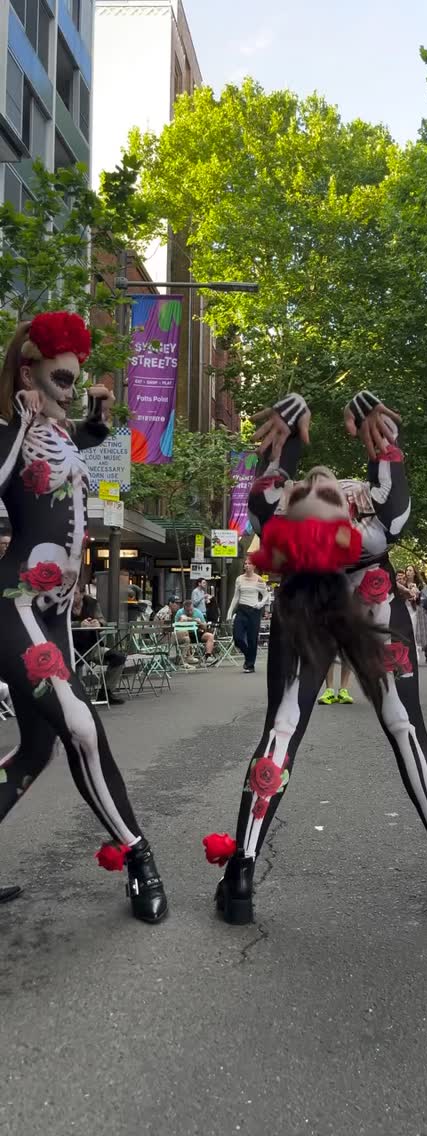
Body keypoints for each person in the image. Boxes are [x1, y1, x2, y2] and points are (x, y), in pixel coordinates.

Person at [206, 390, 427, 926]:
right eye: (316, 484)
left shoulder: (283, 513)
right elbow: (395, 496)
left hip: (314, 603)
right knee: (403, 727)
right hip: (365, 599)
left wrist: (289, 428)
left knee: (283, 730)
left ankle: (239, 875)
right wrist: (369, 423)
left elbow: (264, 495)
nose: (320, 479)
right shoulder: (371, 516)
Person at [0, 312, 167, 921]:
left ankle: (135, 851)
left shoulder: (63, 433)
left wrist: (95, 416)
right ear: (27, 373)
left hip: (57, 616)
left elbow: (91, 444)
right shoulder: (10, 431)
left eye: (75, 380)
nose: (69, 390)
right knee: (82, 728)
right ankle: (138, 854)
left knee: (39, 749)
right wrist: (20, 421)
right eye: (61, 380)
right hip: (15, 604)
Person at [71, 590, 128, 705]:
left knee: (118, 657)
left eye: (75, 593)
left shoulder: (92, 603)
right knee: (75, 664)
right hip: (71, 649)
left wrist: (98, 623)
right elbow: (58, 624)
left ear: (82, 594)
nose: (71, 596)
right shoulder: (62, 604)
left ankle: (106, 692)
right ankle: (75, 697)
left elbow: (102, 620)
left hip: (92, 647)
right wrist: (78, 624)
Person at [226, 559, 269, 673]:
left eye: (249, 563)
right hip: (241, 610)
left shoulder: (259, 579)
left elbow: (266, 595)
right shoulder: (239, 579)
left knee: (252, 639)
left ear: (254, 566)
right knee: (237, 637)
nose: (247, 565)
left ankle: (250, 665)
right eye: (245, 563)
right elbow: (235, 597)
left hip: (254, 610)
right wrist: (229, 612)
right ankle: (248, 656)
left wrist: (260, 604)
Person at [175, 598, 216, 664]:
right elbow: (176, 627)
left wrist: (199, 622)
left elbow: (205, 627)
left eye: (191, 610)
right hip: (185, 634)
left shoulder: (198, 612)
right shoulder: (180, 613)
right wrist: (182, 620)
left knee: (210, 636)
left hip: (196, 632)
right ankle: (189, 656)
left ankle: (207, 656)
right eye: (187, 611)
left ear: (193, 607)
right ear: (184, 609)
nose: (190, 612)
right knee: (185, 632)